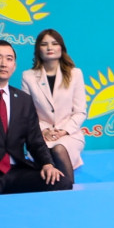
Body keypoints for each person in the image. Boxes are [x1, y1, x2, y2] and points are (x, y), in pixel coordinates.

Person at [0, 39, 70, 194]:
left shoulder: (23, 100)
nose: (3, 63)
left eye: (9, 59)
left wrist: (47, 164)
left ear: (14, 66)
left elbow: (35, 141)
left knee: (61, 182)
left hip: (16, 170)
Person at [20, 29, 86, 184]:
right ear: (38, 49)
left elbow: (80, 112)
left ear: (61, 48)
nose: (49, 47)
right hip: (42, 135)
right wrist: (44, 130)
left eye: (54, 43)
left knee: (59, 148)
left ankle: (68, 190)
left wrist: (63, 130)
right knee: (45, 153)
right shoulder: (28, 77)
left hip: (69, 134)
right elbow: (28, 114)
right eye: (44, 44)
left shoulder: (75, 74)